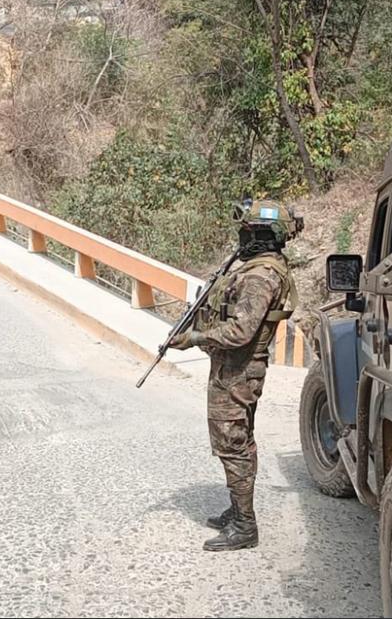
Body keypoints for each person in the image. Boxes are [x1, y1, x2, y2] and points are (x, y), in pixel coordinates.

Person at [169, 198, 302, 551]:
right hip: (233, 368)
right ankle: (237, 509)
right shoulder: (257, 266)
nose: (241, 237)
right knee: (237, 440)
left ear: (260, 234)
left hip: (238, 372)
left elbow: (240, 332)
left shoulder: (261, 276)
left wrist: (193, 338)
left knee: (232, 444)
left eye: (246, 230)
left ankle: (245, 526)